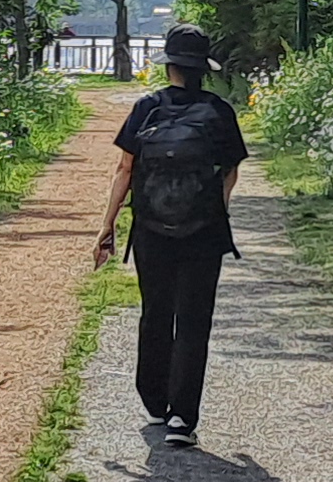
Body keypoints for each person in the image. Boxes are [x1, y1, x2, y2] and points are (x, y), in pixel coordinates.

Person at [95, 23, 245, 448]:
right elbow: (230, 170)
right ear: (203, 69)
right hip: (204, 233)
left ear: (169, 66)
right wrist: (215, 209)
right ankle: (182, 418)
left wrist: (107, 225)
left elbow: (125, 169)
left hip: (151, 229)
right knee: (194, 319)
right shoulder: (219, 111)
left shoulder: (147, 107)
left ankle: (155, 400)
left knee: (156, 313)